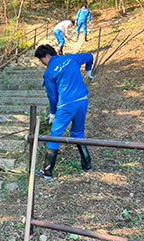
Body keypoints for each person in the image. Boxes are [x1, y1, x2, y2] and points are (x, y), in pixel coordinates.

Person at [34, 44, 95, 179]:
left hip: (66, 104)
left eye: (41, 59)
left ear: (47, 56)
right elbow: (90, 56)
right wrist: (89, 70)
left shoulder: (49, 72)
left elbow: (52, 96)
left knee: (55, 135)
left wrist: (53, 111)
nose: (42, 63)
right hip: (82, 100)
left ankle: (47, 171)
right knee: (78, 133)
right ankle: (87, 165)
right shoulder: (71, 58)